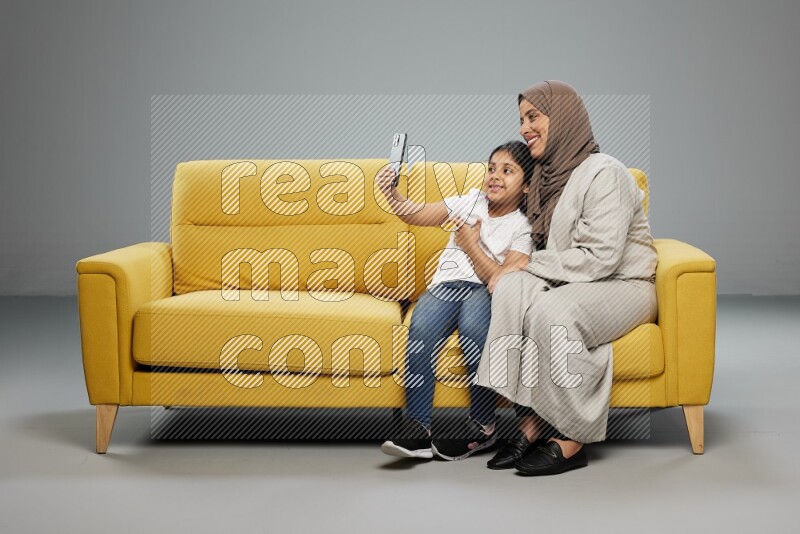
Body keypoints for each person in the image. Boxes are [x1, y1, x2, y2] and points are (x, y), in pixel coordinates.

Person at [476, 81, 658, 475]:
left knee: (552, 311)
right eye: (521, 120)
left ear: (563, 119)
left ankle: (574, 438)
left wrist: (529, 265)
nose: (524, 128)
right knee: (511, 288)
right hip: (572, 279)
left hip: (623, 284)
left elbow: (602, 257)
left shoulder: (605, 173)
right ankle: (530, 420)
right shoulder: (543, 178)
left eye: (533, 117)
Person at [376, 141, 534, 460]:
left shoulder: (524, 226)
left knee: (475, 331)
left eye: (507, 171)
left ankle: (483, 427)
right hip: (447, 285)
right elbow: (415, 213)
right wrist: (391, 193)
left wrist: (470, 244)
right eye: (491, 168)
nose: (495, 176)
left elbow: (500, 279)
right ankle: (418, 429)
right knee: (420, 330)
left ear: (527, 186)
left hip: (485, 289)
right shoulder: (470, 201)